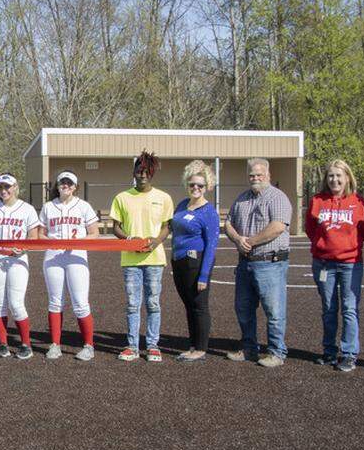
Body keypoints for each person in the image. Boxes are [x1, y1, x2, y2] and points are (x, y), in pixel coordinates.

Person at [224, 157, 293, 367]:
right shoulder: (242, 199)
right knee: (243, 308)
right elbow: (228, 223)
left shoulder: (277, 197)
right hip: (245, 263)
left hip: (269, 262)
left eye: (259, 174)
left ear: (268, 175)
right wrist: (238, 239)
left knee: (274, 310)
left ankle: (276, 352)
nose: (255, 178)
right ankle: (249, 348)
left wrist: (251, 241)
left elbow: (278, 226)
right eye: (252, 175)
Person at [304, 159, 364, 372]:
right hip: (324, 263)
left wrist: (348, 246)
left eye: (339, 176)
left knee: (349, 309)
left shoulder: (358, 202)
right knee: (328, 308)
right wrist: (324, 246)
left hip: (350, 264)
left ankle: (349, 353)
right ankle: (329, 350)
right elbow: (310, 228)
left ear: (347, 178)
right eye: (331, 176)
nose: (334, 180)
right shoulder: (317, 200)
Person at [110, 151, 173, 363]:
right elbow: (115, 227)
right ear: (134, 172)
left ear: (152, 173)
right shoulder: (122, 197)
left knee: (153, 303)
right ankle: (133, 346)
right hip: (130, 261)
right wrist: (129, 239)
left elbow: (166, 227)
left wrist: (156, 241)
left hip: (154, 260)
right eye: (139, 171)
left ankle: (153, 345)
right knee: (132, 304)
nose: (142, 175)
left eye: (146, 171)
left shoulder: (163, 198)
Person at [0, 172, 42, 360]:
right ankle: (3, 344)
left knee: (16, 303)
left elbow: (33, 237)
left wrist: (23, 249)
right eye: (1, 187)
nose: (4, 190)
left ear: (15, 187)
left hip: (17, 259)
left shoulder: (27, 208)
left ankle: (26, 344)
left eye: (7, 186)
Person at [39, 170, 99, 361]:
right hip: (54, 256)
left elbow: (94, 233)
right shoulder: (49, 206)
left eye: (69, 183)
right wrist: (51, 242)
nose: (65, 185)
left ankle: (88, 345)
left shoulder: (83, 206)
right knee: (55, 301)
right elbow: (40, 233)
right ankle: (55, 344)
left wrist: (77, 242)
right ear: (57, 185)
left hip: (76, 256)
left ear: (75, 186)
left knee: (80, 303)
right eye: (62, 182)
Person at [169, 160, 220, 363]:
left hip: (195, 262)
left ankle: (201, 348)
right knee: (189, 305)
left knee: (199, 305)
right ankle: (192, 345)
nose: (196, 188)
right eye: (192, 185)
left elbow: (211, 246)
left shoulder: (209, 212)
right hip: (179, 262)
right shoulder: (182, 205)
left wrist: (204, 275)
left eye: (200, 185)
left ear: (207, 186)